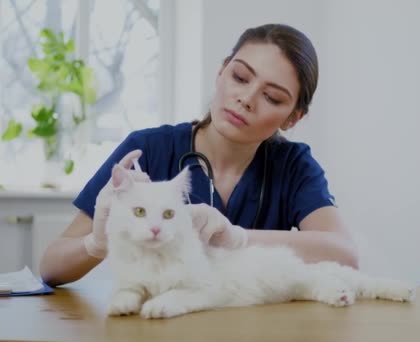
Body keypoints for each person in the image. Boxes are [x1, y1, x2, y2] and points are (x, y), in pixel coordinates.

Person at [39, 23, 358, 287]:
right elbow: (51, 267)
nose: (246, 99)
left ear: (293, 118)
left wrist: (235, 237)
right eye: (240, 78)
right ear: (221, 72)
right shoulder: (148, 150)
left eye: (272, 97)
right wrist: (96, 243)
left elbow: (344, 254)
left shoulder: (293, 165)